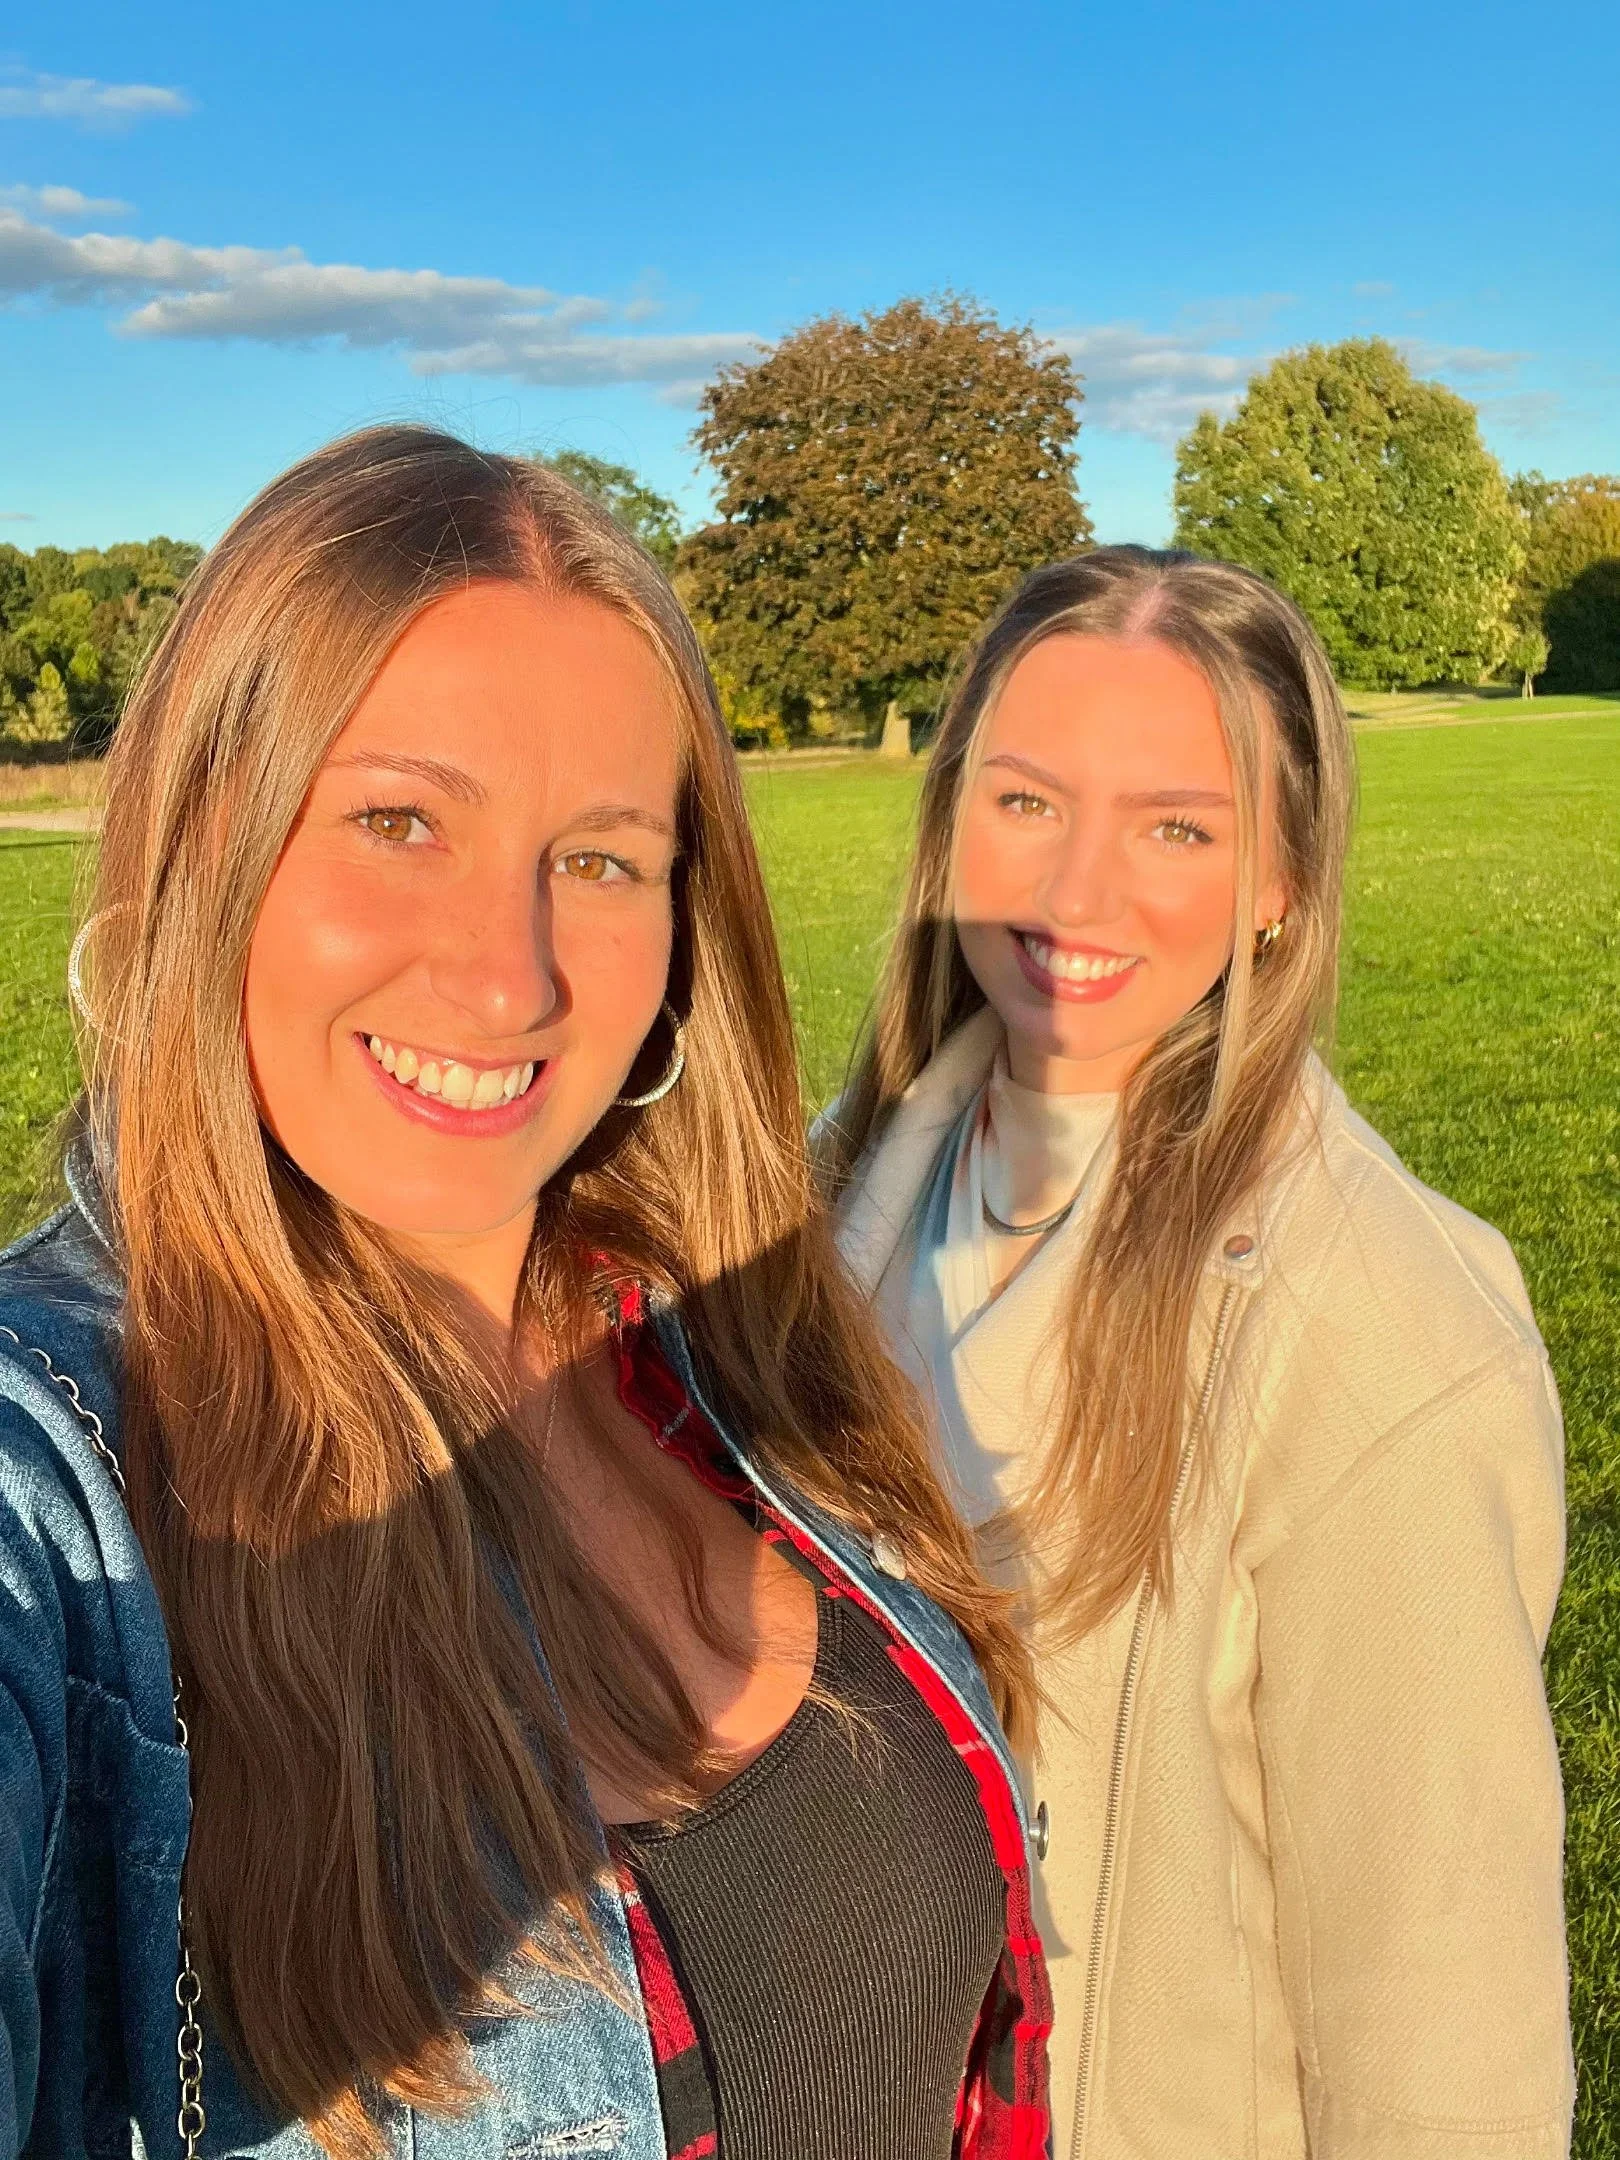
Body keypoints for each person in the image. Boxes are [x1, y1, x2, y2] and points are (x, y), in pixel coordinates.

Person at [0, 426, 1052, 2160]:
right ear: (206, 849)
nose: (511, 977)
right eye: (400, 821)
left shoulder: (730, 1354)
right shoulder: (66, 1485)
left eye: (601, 858)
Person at [822, 547, 1573, 2159]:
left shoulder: (1384, 1337)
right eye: (1026, 802)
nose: (1073, 893)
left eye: (1178, 828)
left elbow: (1444, 2036)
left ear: (1283, 879)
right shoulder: (838, 1189)